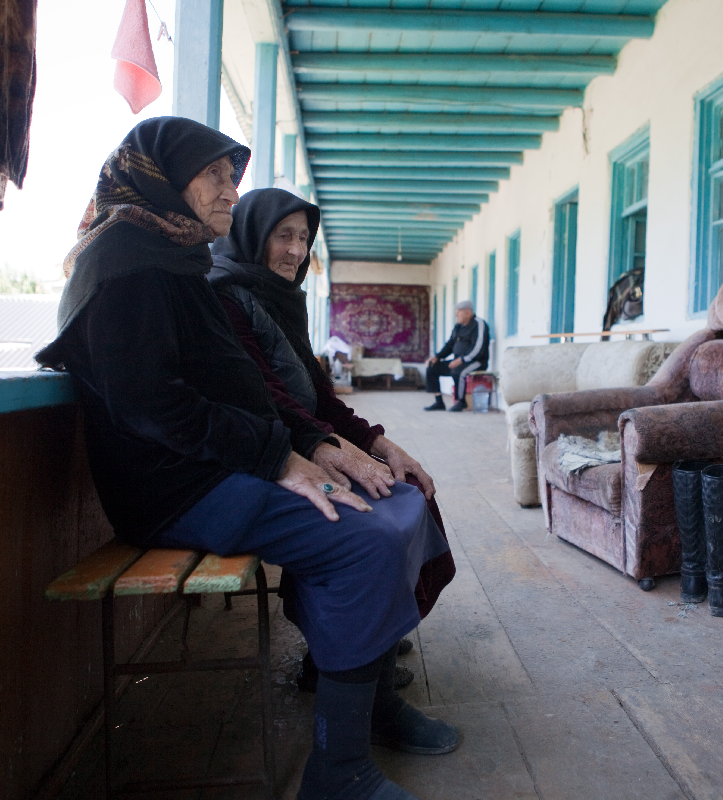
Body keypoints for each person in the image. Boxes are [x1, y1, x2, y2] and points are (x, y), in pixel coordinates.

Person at [36, 117, 458, 800]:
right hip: (173, 488)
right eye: (216, 176)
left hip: (217, 466)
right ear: (162, 178)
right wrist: (280, 458)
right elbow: (153, 407)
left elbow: (244, 385)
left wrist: (317, 443)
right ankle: (338, 770)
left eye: (234, 178)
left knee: (396, 500)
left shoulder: (173, 258)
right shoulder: (123, 266)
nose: (231, 192)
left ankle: (371, 702)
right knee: (363, 541)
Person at [208, 186, 457, 691]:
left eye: (304, 237)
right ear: (254, 235)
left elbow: (323, 402)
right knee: (373, 516)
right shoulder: (225, 299)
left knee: (412, 491)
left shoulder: (279, 303)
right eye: (284, 236)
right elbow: (267, 400)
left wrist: (383, 447)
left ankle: (373, 633)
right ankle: (341, 656)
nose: (297, 251)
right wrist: (335, 452)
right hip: (263, 459)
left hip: (301, 444)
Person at [424, 300, 490, 412]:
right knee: (432, 367)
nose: (456, 315)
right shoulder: (458, 327)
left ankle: (461, 402)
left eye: (458, 312)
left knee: (459, 372)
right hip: (458, 361)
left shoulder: (479, 324)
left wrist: (462, 360)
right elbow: (450, 345)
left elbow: (478, 348)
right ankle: (439, 402)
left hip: (476, 362)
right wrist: (437, 357)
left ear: (468, 313)